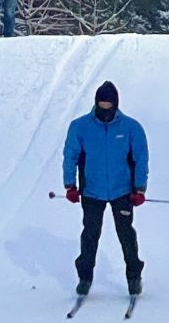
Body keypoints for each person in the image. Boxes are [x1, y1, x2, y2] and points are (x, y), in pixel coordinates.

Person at [62, 81, 149, 298]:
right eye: (101, 105)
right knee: (90, 234)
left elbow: (141, 159)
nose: (105, 110)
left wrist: (139, 188)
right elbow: (70, 156)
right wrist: (70, 185)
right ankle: (85, 277)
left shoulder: (131, 127)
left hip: (123, 191)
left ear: (116, 104)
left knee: (126, 234)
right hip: (92, 191)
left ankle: (133, 276)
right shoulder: (80, 126)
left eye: (109, 105)